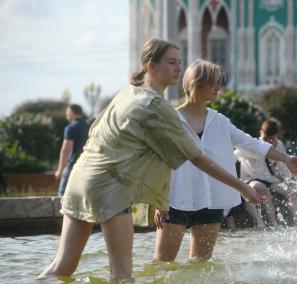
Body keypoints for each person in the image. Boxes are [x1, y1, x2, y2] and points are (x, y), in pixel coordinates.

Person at [39, 39, 264, 280]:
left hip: (80, 179)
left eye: (179, 63)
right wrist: (241, 186)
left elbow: (95, 132)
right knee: (122, 275)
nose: (178, 68)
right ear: (151, 66)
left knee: (60, 268)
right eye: (170, 63)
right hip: (111, 188)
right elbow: (198, 159)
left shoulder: (127, 93)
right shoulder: (157, 107)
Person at [153, 60, 297, 262]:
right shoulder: (171, 119)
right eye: (213, 83)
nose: (219, 87)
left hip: (210, 200)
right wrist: (157, 201)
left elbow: (252, 144)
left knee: (200, 267)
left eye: (219, 82)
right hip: (174, 200)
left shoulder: (220, 122)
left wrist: (286, 158)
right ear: (196, 83)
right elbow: (158, 161)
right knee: (163, 265)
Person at [234, 119, 297, 229]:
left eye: (273, 139)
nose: (270, 141)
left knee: (289, 192)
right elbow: (234, 156)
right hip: (251, 178)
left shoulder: (279, 144)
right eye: (268, 138)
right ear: (262, 133)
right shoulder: (253, 144)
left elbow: (282, 167)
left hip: (268, 178)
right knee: (261, 189)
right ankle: (265, 223)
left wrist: (285, 179)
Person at [55, 104, 90, 196]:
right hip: (88, 167)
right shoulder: (90, 127)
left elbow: (66, 149)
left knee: (62, 196)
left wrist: (60, 170)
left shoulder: (70, 128)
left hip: (73, 166)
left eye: (67, 112)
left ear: (71, 112)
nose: (66, 114)